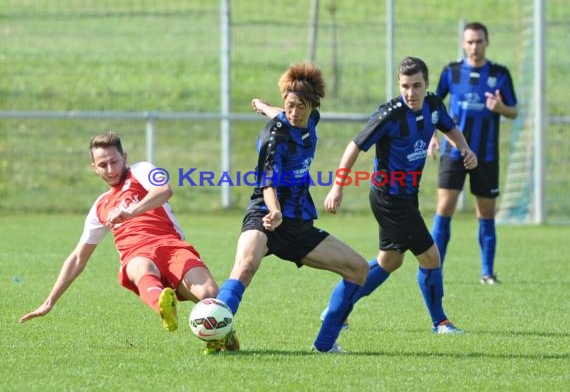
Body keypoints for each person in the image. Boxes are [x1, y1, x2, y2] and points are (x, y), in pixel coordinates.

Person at [19, 132, 238, 350]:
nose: (111, 169)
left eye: (114, 161)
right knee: (141, 265)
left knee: (209, 295)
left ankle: (221, 334)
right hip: (136, 253)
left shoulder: (142, 170)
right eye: (103, 165)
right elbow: (78, 257)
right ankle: (164, 306)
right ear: (94, 167)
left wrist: (131, 212)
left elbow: (164, 190)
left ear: (124, 156)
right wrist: (49, 302)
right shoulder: (100, 206)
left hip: (170, 246)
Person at [212, 63, 369, 354]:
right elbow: (268, 181)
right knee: (245, 266)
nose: (294, 112)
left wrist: (263, 105)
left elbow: (284, 114)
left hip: (298, 222)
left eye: (300, 107)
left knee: (359, 269)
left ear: (313, 107)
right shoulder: (273, 136)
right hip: (265, 215)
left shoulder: (310, 120)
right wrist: (275, 211)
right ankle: (215, 332)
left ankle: (325, 344)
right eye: (290, 106)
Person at [320, 56, 477, 340]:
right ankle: (440, 321)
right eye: (405, 86)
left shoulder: (432, 105)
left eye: (416, 86)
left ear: (427, 85)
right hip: (389, 198)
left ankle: (337, 310)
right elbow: (354, 146)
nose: (411, 92)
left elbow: (450, 127)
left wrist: (465, 148)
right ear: (399, 85)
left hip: (406, 197)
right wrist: (337, 186)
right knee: (431, 257)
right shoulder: (389, 114)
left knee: (389, 261)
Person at [428, 22, 518, 284]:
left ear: (487, 42)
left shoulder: (500, 74)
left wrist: (501, 107)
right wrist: (433, 136)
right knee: (444, 208)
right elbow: (432, 106)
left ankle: (487, 273)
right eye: (470, 41)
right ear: (463, 44)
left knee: (486, 213)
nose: (474, 46)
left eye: (479, 41)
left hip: (486, 154)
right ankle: (435, 269)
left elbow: (514, 111)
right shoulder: (452, 72)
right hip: (454, 152)